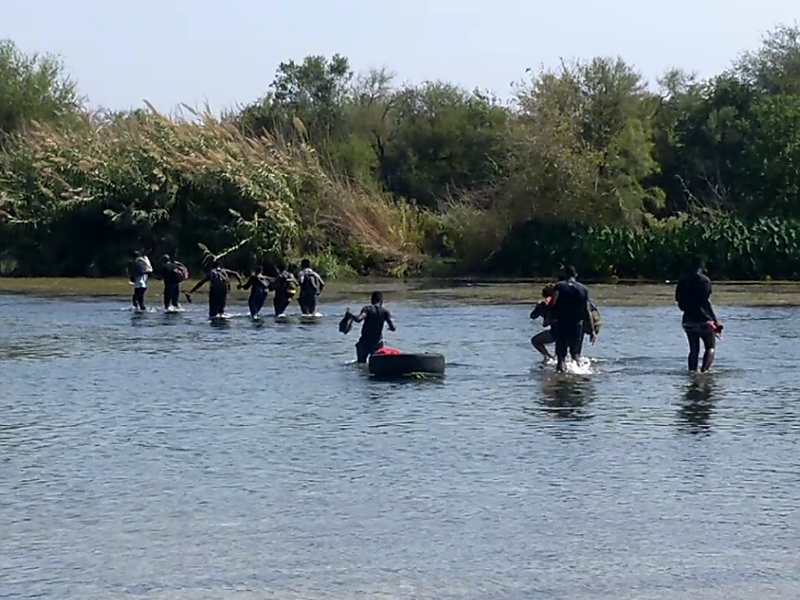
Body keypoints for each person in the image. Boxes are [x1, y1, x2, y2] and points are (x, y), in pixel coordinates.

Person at [675, 255, 722, 372]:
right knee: (710, 348)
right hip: (704, 320)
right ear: (702, 266)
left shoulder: (683, 280)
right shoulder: (704, 281)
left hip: (688, 321)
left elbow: (678, 298)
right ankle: (704, 372)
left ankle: (692, 373)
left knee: (693, 350)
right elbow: (706, 302)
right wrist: (715, 321)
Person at [549, 266, 596, 372]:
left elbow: (553, 303)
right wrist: (592, 331)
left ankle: (561, 378)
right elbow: (587, 310)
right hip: (577, 324)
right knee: (576, 355)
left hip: (562, 323)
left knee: (561, 356)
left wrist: (552, 317)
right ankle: (579, 376)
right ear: (576, 275)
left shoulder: (559, 286)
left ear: (565, 274)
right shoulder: (584, 289)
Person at [347, 291, 397, 363]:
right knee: (377, 364)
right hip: (378, 343)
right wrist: (390, 328)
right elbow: (393, 328)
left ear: (372, 300)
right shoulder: (385, 312)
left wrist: (351, 315)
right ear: (381, 301)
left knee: (361, 363)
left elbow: (359, 319)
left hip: (365, 342)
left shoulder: (367, 309)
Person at [530, 283, 557, 361]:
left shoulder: (545, 302)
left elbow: (533, 316)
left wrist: (538, 307)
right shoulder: (563, 301)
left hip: (556, 331)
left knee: (535, 340)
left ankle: (548, 357)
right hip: (571, 331)